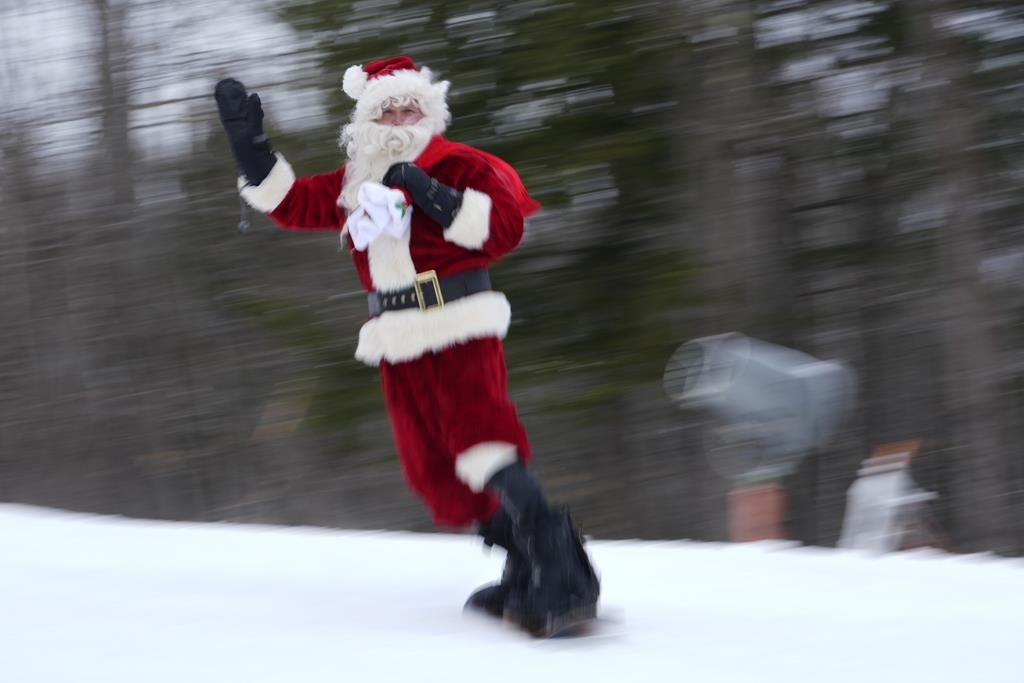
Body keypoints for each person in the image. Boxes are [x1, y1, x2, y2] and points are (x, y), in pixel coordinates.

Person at [214, 56, 599, 637]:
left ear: (428, 111)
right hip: (396, 336)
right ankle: (524, 563)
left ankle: (564, 576)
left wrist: (428, 191)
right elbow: (293, 205)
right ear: (367, 118)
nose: (398, 116)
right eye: (385, 108)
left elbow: (504, 229)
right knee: (434, 469)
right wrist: (252, 150)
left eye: (408, 106)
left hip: (458, 320)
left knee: (482, 442)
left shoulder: (460, 163)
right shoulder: (356, 179)